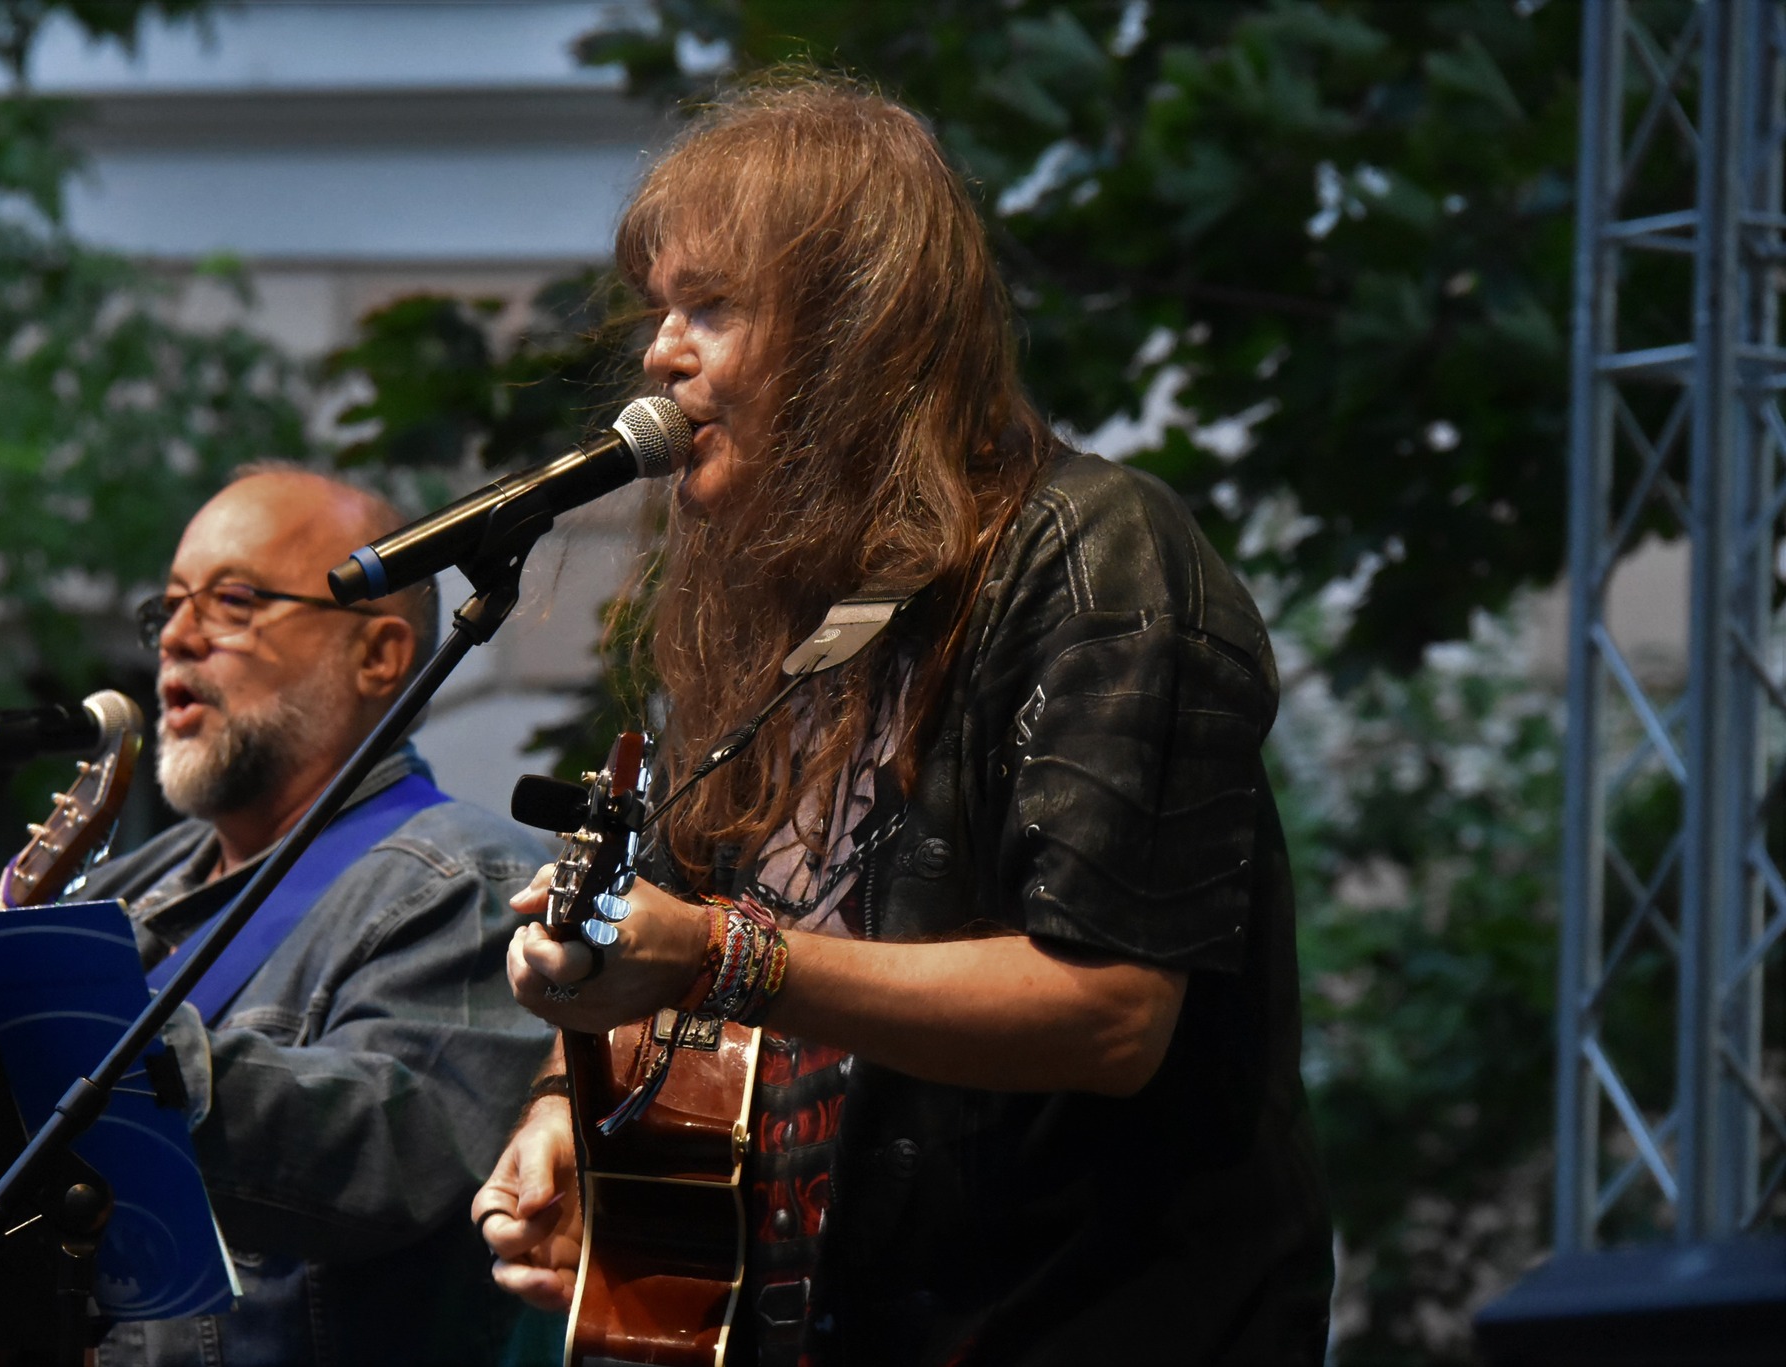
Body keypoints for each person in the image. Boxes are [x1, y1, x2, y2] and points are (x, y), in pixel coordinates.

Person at [474, 76, 1334, 1365]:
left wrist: (720, 952)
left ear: (850, 333)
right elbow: (678, 963)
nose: (661, 350)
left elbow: (1106, 1010)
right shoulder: (771, 626)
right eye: (662, 309)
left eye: (709, 306)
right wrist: (569, 1092)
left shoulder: (1095, 560)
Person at [70, 465, 554, 1366]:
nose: (176, 637)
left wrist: (69, 1025)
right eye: (168, 608)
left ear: (377, 655)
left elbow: (391, 1159)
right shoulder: (125, 890)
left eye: (234, 602)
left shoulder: (474, 881)